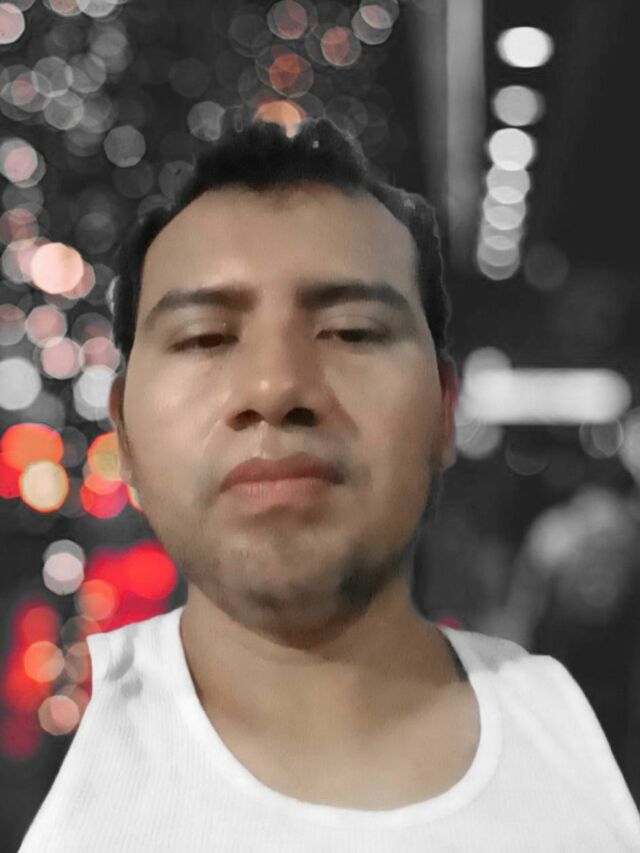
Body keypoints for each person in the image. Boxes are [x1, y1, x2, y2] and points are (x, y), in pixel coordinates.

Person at [18, 116, 640, 851]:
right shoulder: (54, 768)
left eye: (352, 331)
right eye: (205, 336)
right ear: (125, 432)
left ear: (444, 411)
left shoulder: (587, 738)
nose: (276, 386)